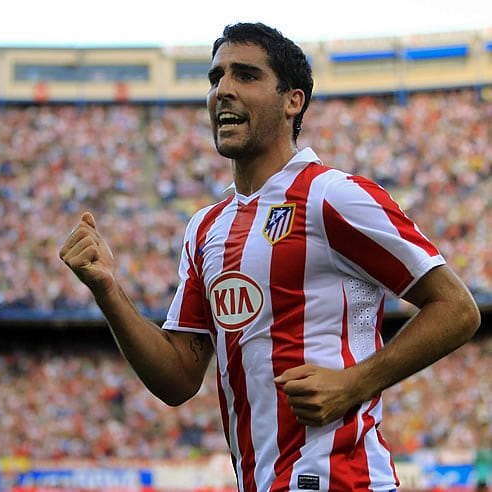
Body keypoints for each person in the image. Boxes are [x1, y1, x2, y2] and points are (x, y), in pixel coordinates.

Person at [59, 22, 481, 491]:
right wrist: (108, 290)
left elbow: (457, 308)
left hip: (342, 481)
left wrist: (354, 384)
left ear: (292, 100)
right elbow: (178, 378)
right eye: (216, 78)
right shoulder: (206, 228)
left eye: (246, 76)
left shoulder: (332, 196)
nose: (224, 90)